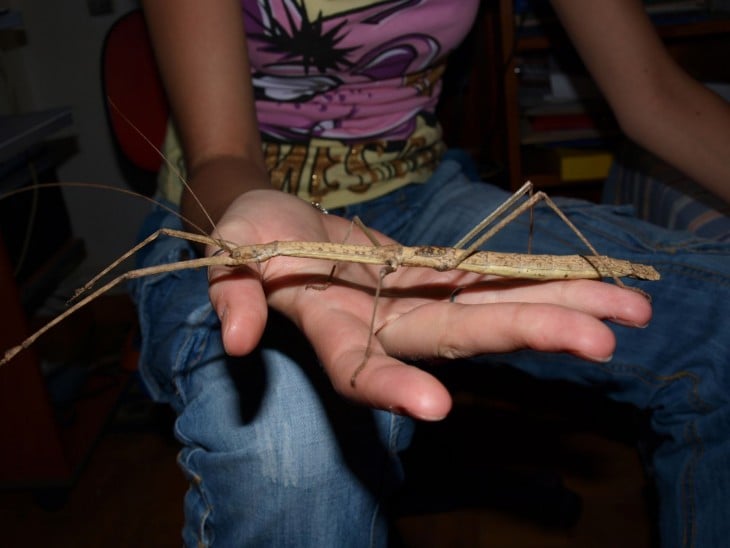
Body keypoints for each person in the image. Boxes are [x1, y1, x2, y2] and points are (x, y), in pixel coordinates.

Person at [132, 0, 730, 546]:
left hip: (427, 198)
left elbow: (656, 96)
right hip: (236, 199)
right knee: (295, 436)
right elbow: (219, 156)